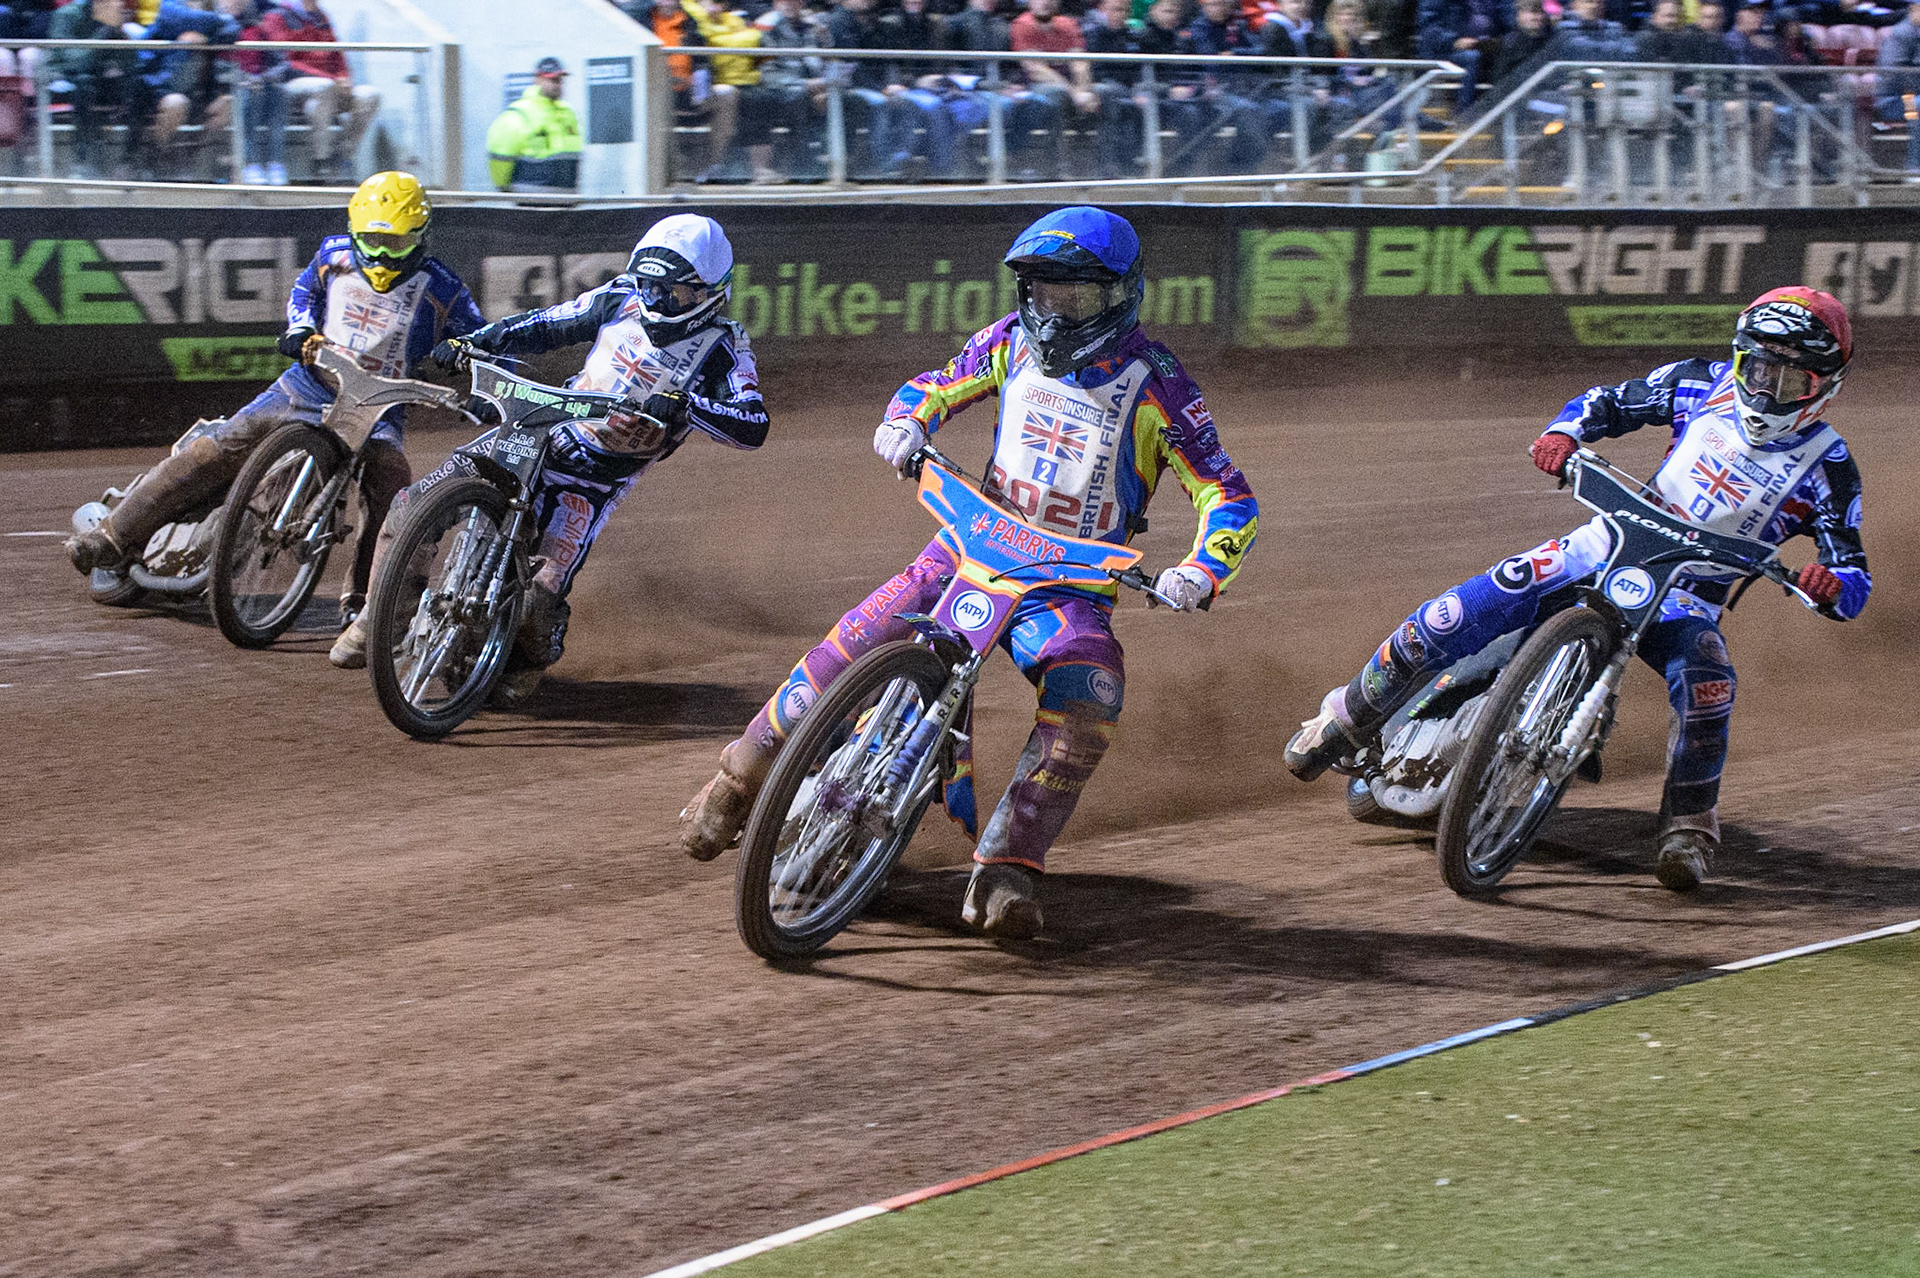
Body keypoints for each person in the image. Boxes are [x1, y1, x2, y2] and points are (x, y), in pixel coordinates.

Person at [678, 207, 1258, 938]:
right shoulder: (1008, 342)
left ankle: (1010, 864)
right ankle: (738, 780)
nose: (1053, 310)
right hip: (968, 544)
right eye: (1042, 292)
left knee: (1090, 694)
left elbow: (1226, 494)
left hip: (1067, 584)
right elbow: (936, 383)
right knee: (852, 641)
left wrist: (1201, 571)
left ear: (1118, 295)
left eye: (1072, 296)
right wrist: (906, 422)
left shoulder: (1159, 384)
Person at [1285, 288, 1871, 893]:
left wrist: (1831, 585)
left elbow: (1854, 575)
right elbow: (1609, 403)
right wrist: (1564, 433)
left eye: (1789, 380)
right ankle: (1345, 718)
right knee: (1457, 611)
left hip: (1687, 598)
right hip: (1607, 544)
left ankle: (1689, 827)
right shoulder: (1700, 383)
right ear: (1738, 359)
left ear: (1825, 384)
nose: (1767, 390)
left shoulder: (1830, 468)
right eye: (1759, 369)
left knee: (1710, 684)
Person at [328, 214, 770, 701]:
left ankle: (525, 662)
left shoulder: (725, 347)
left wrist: (688, 406)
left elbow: (752, 425)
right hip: (545, 429)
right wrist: (477, 342)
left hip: (595, 479)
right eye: (649, 284)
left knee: (544, 589)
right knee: (412, 504)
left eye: (673, 293)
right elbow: (544, 325)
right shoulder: (619, 298)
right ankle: (380, 619)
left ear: (710, 293)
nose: (656, 299)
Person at [67, 173, 481, 630]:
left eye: (396, 242)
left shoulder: (445, 287)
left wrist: (468, 363)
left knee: (390, 483)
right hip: (308, 383)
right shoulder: (332, 255)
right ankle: (112, 536)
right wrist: (300, 328)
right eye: (373, 239)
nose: (382, 253)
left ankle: (364, 604)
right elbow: (303, 293)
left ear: (420, 236)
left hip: (378, 407)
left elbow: (482, 340)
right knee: (222, 443)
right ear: (354, 229)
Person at [257, 0, 380, 182]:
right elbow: (287, 61)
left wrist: (344, 78)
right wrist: (331, 79)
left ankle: (341, 157)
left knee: (369, 96)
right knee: (324, 88)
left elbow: (337, 53)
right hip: (293, 84)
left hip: (328, 88)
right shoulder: (278, 15)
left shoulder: (320, 17)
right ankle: (320, 161)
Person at [46, 0, 151, 177]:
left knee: (139, 86)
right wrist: (106, 31)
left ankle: (129, 162)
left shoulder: (113, 21)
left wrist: (119, 32)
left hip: (101, 79)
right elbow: (74, 63)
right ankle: (83, 161)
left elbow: (130, 66)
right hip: (66, 81)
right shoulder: (67, 15)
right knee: (84, 84)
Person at [486, 56, 584, 192]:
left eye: (560, 80)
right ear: (537, 79)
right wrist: (506, 191)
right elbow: (500, 160)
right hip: (530, 206)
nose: (558, 85)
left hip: (566, 204)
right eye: (553, 79)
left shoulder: (568, 114)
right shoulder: (519, 114)